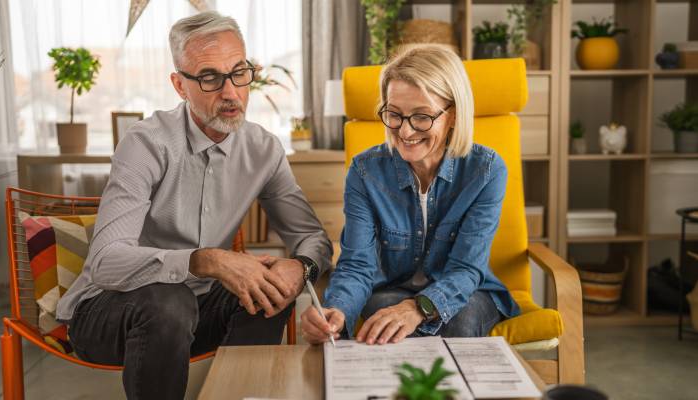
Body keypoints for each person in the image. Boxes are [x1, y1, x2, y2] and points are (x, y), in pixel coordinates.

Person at [55, 11, 332, 399]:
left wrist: (299, 266)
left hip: (197, 308)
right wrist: (207, 260)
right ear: (179, 85)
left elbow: (312, 238)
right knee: (170, 299)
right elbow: (106, 263)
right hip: (107, 313)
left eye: (239, 72)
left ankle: (239, 394)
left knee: (268, 289)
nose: (231, 92)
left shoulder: (263, 149)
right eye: (209, 77)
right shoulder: (145, 143)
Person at [300, 44, 519, 346]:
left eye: (421, 117)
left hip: (466, 292)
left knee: (460, 318)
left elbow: (467, 269)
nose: (404, 132)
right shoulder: (365, 171)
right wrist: (337, 311)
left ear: (453, 115)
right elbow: (357, 264)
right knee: (383, 315)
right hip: (392, 288)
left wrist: (419, 307)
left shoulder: (486, 170)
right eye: (394, 114)